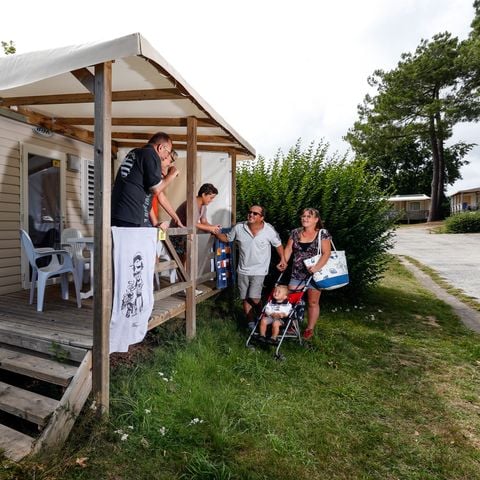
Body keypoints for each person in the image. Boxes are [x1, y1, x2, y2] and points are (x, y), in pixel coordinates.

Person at [215, 205, 286, 328]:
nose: (251, 215)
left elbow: (278, 244)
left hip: (260, 270)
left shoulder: (269, 230)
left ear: (262, 217)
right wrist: (216, 233)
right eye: (250, 212)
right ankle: (251, 323)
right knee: (245, 298)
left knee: (254, 297)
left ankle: (264, 316)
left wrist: (283, 259)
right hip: (243, 269)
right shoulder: (239, 227)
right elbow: (227, 238)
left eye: (255, 213)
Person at [280, 208, 331, 340]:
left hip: (315, 273)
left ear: (316, 219)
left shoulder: (322, 234)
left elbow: (326, 253)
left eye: (309, 216)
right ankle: (292, 325)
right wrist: (283, 261)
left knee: (312, 302)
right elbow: (289, 249)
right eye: (303, 216)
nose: (305, 218)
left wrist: (316, 268)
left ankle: (309, 329)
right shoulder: (295, 232)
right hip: (297, 273)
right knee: (292, 300)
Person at [111, 132, 180, 227]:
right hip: (130, 216)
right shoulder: (151, 154)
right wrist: (172, 174)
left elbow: (148, 196)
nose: (166, 158)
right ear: (160, 148)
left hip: (121, 214)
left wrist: (173, 219)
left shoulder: (137, 152)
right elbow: (157, 190)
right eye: (168, 153)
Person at [170, 183, 222, 261]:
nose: (212, 201)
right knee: (181, 261)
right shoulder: (191, 204)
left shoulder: (203, 206)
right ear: (203, 195)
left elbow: (204, 221)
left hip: (185, 234)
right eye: (211, 198)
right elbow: (192, 223)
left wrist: (214, 227)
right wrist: (210, 228)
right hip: (176, 234)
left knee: (186, 260)